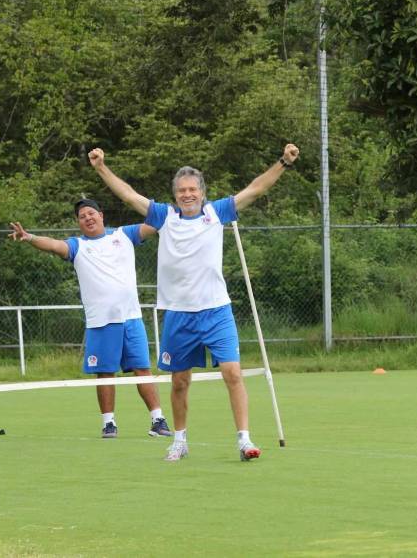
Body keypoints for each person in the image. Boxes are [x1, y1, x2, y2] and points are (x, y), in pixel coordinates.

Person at [90, 144, 300, 461]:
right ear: (175, 195)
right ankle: (179, 440)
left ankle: (244, 440)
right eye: (182, 190)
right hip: (178, 314)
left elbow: (256, 189)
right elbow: (129, 196)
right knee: (179, 382)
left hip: (216, 311)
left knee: (233, 372)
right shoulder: (164, 216)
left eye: (192, 189)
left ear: (202, 193)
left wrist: (283, 162)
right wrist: (101, 168)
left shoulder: (218, 212)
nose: (187, 195)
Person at [8, 199, 172, 439]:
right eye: (82, 216)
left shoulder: (123, 235)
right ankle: (109, 423)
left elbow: (155, 223)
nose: (88, 218)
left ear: (101, 215)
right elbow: (54, 245)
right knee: (105, 373)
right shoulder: (77, 246)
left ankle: (157, 420)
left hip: (131, 319)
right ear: (79, 222)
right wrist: (30, 237)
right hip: (101, 322)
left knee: (142, 369)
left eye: (91, 213)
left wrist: (176, 209)